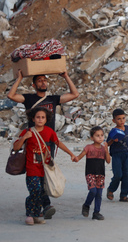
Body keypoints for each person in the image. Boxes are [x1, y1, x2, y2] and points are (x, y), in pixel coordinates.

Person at [7, 70, 79, 219]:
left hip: (48, 142)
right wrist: (20, 78)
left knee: (45, 173)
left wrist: (66, 76)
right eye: (39, 80)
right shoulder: (28, 98)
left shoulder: (53, 98)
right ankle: (44, 205)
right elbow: (11, 96)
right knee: (35, 176)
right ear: (34, 85)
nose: (43, 82)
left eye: (45, 80)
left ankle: (41, 206)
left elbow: (74, 94)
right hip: (32, 140)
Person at [13, 107, 76, 225]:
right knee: (35, 190)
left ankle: (36, 215)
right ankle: (30, 215)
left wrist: (71, 154)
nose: (40, 119)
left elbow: (58, 143)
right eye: (38, 117)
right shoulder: (28, 132)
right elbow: (16, 147)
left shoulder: (49, 131)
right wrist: (24, 137)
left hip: (46, 168)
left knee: (42, 191)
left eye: (43, 117)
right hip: (32, 168)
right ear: (33, 118)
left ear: (46, 119)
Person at [73, 126, 110, 220]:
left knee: (99, 194)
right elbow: (79, 157)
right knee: (93, 191)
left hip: (101, 174)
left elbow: (108, 161)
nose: (100, 137)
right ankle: (86, 205)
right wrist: (75, 158)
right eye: (97, 136)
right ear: (92, 138)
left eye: (102, 135)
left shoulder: (103, 149)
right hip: (90, 173)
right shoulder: (89, 147)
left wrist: (106, 151)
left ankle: (96, 212)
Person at [106, 108, 128, 202]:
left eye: (123, 118)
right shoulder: (113, 131)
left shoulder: (127, 129)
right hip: (116, 155)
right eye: (119, 119)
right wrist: (113, 140)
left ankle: (124, 195)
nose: (121, 120)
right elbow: (107, 144)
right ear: (114, 120)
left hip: (126, 154)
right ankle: (111, 189)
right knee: (118, 174)